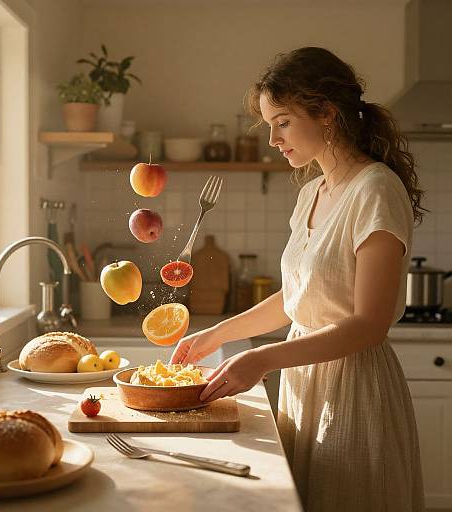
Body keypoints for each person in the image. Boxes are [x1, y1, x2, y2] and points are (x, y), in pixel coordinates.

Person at [170, 47, 426, 511]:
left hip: (354, 390)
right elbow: (299, 297)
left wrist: (263, 359)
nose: (273, 139)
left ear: (326, 113)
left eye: (282, 122)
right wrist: (216, 335)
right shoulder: (312, 192)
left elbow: (369, 325)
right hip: (304, 386)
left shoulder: (376, 190)